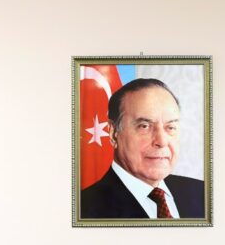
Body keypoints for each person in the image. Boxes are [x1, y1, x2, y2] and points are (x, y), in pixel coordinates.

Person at [81, 79, 205, 220]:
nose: (162, 141)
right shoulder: (84, 210)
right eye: (144, 126)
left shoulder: (201, 193)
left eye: (170, 127)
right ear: (113, 133)